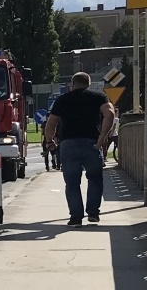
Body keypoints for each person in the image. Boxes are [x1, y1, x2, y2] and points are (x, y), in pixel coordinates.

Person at [43, 72, 115, 227]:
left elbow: (51, 123)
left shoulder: (63, 100)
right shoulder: (98, 97)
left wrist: (49, 141)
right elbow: (109, 114)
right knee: (95, 178)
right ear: (88, 84)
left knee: (72, 183)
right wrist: (102, 138)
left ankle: (76, 217)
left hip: (68, 145)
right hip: (91, 144)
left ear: (72, 84)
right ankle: (93, 213)